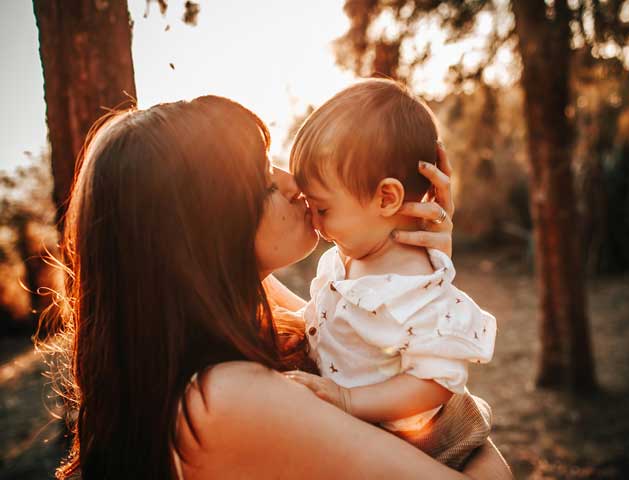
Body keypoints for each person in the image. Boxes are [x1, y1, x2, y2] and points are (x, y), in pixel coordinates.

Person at [43, 94, 512, 479]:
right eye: (262, 181)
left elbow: (371, 346)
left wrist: (414, 268)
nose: (293, 184)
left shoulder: (247, 311)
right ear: (203, 229)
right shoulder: (223, 398)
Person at [285, 79, 497, 469]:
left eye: (323, 209)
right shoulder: (348, 255)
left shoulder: (414, 288)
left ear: (386, 197)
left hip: (427, 445)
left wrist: (349, 401)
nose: (313, 222)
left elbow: (436, 381)